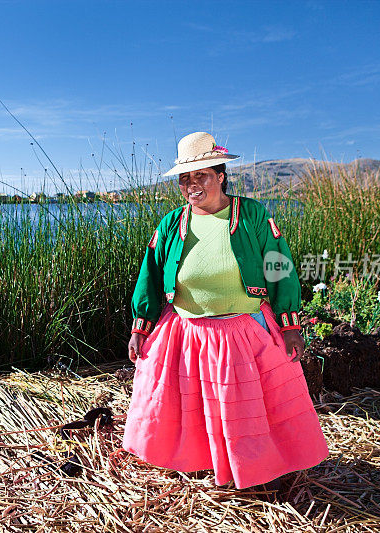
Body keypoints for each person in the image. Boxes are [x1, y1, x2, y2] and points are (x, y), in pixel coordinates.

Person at [122, 131, 329, 496]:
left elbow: (280, 267)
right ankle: (203, 461)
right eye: (185, 179)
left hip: (242, 331)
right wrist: (141, 327)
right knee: (192, 403)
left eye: (200, 175)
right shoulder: (172, 223)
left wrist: (289, 323)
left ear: (220, 175)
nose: (191, 185)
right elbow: (151, 274)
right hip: (185, 332)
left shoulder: (251, 215)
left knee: (249, 407)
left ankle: (262, 466)